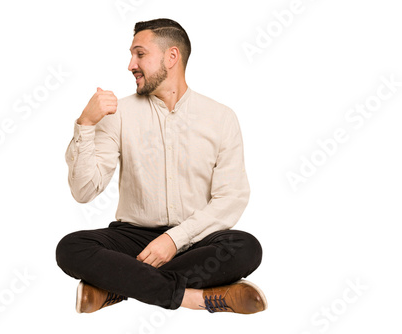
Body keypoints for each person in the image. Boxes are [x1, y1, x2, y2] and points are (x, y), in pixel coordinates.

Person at [56, 18, 267, 314]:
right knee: (71, 248)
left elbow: (230, 199)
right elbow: (84, 191)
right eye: (132, 55)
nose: (131, 64)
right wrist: (86, 124)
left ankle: (117, 287)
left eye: (140, 54)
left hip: (196, 238)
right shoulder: (118, 114)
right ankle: (199, 299)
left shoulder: (221, 118)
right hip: (133, 238)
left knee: (246, 248)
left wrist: (174, 239)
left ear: (171, 57)